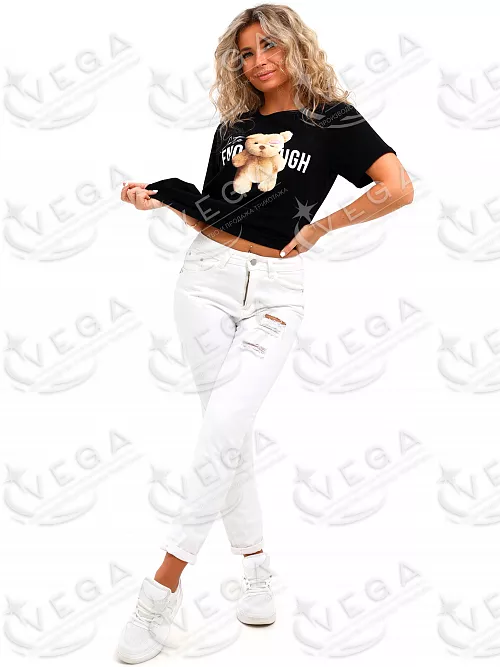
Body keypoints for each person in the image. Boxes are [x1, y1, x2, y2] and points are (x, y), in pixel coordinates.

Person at [116, 3, 413, 663]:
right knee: (228, 432)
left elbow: (398, 187)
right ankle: (255, 571)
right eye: (246, 53)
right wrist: (162, 197)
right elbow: (215, 209)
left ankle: (159, 593)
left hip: (277, 291)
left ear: (295, 46)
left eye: (269, 45)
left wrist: (322, 227)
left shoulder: (333, 120)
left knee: (224, 425)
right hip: (203, 282)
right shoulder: (234, 126)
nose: (258, 61)